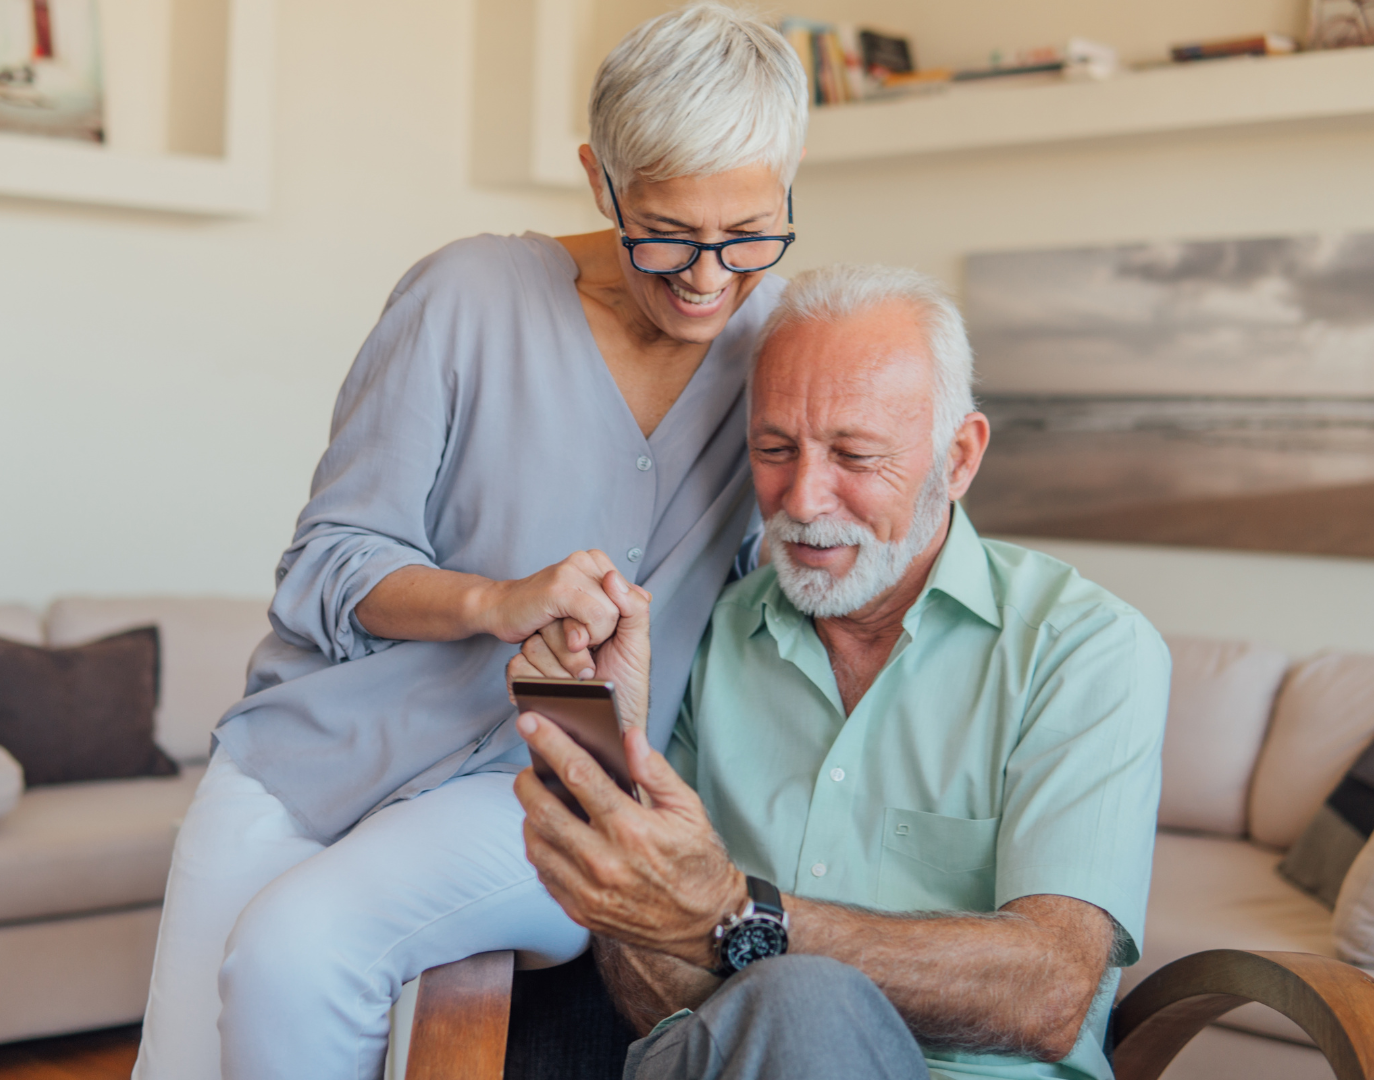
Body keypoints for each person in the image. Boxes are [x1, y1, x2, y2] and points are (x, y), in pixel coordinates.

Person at [131, 7, 809, 1080]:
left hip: (551, 782)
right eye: (669, 234)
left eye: (750, 235)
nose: (709, 278)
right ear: (602, 182)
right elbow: (327, 564)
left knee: (293, 957)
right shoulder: (466, 296)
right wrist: (495, 603)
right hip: (314, 752)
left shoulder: (782, 349)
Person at [510, 263, 1172, 1080]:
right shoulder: (709, 633)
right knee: (783, 1009)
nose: (805, 498)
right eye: (774, 449)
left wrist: (735, 916)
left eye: (855, 455)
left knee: (804, 999)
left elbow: (1050, 991)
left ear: (958, 458)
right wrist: (609, 758)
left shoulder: (1085, 647)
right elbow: (661, 1001)